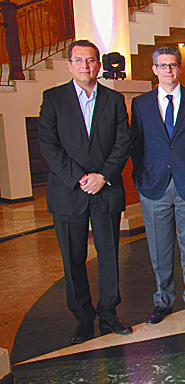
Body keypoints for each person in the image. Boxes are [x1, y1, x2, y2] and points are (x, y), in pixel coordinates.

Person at [38, 39, 132, 344]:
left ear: (98, 65)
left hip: (105, 190)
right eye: (78, 60)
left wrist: (102, 176)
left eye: (90, 60)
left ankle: (109, 313)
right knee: (73, 258)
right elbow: (49, 145)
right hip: (68, 192)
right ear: (70, 65)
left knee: (108, 255)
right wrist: (80, 177)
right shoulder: (53, 98)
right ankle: (82, 318)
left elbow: (123, 142)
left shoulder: (113, 100)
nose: (85, 66)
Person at [130, 46, 185, 324]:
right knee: (159, 249)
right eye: (162, 65)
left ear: (180, 68)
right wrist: (140, 177)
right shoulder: (141, 104)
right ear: (154, 69)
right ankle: (163, 301)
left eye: (172, 65)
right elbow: (136, 145)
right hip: (154, 186)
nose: (168, 70)